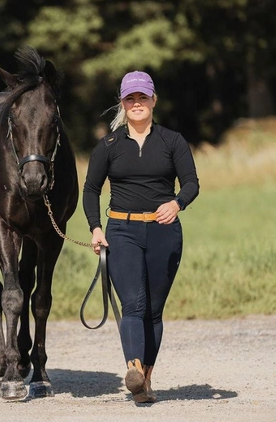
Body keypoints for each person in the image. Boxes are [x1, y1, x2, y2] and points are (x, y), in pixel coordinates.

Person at [82, 70, 200, 404]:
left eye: (142, 97)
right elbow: (91, 189)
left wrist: (177, 204)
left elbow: (191, 182)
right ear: (123, 102)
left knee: (154, 310)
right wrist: (95, 227)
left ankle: (145, 380)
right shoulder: (108, 145)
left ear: (153, 101)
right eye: (130, 98)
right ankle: (133, 369)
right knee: (132, 304)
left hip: (165, 232)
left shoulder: (172, 141)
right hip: (121, 231)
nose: (137, 104)